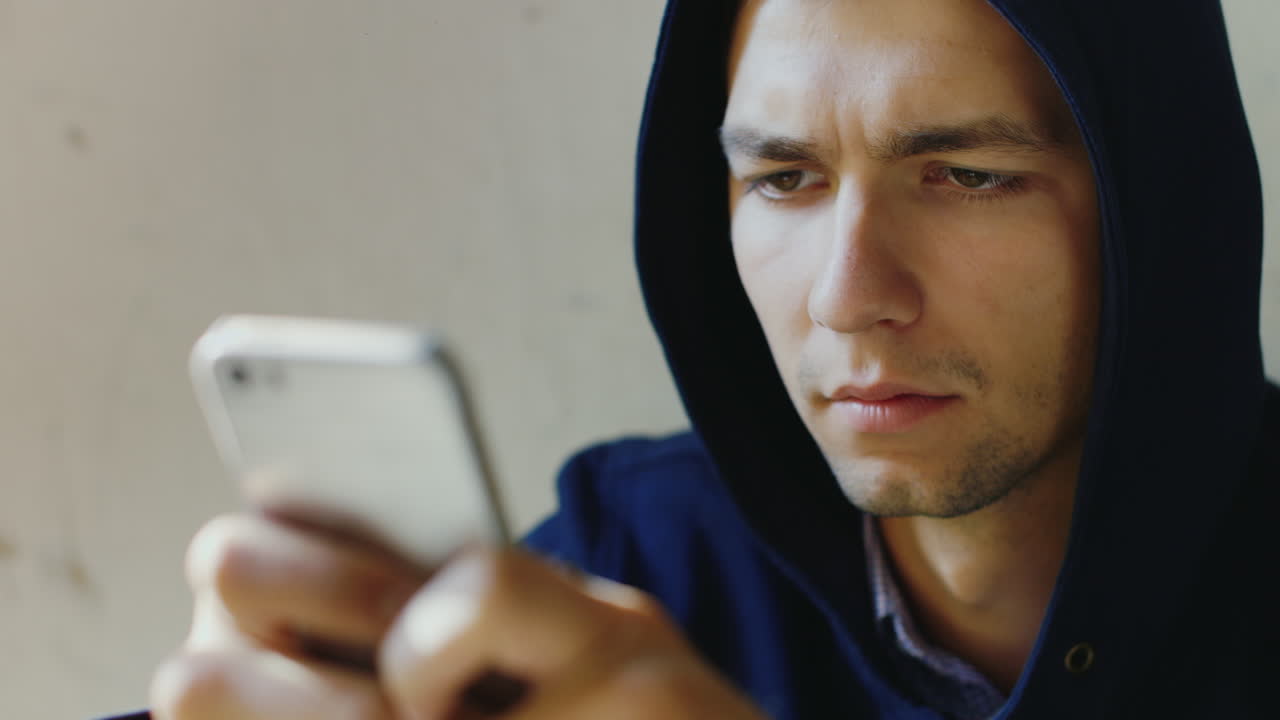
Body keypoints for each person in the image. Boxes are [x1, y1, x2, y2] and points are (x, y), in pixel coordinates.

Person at [115, 0, 1278, 718]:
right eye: (783, 180)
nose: (845, 294)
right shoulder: (635, 556)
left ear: (1156, 207)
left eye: (966, 176)